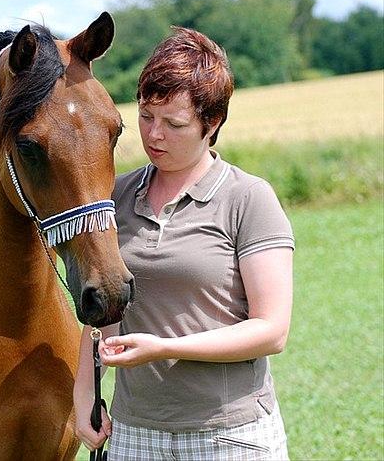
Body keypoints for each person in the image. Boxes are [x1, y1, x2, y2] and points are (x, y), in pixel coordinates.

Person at [73, 27, 294, 460]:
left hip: (232, 435)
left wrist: (166, 347)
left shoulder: (248, 198)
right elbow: (101, 308)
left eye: (173, 123)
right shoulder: (114, 196)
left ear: (211, 124)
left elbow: (272, 331)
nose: (153, 135)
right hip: (135, 434)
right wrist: (83, 395)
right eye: (145, 115)